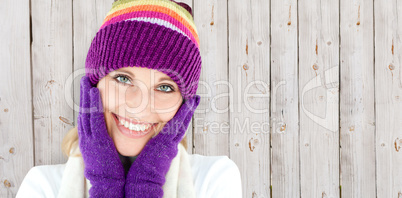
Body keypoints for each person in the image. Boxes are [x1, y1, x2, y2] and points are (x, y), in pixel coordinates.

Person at [16, 0, 242, 197]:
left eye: (164, 87)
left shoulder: (214, 179)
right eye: (123, 78)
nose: (138, 104)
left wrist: (147, 185)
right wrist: (105, 185)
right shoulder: (42, 187)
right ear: (92, 88)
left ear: (185, 108)